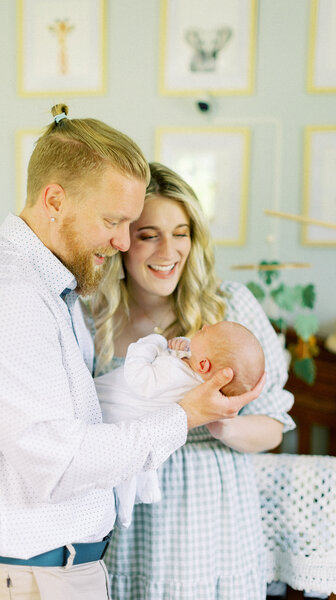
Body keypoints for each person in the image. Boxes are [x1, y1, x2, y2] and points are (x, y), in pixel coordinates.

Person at [0, 107, 264, 600]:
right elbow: (58, 464)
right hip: (21, 582)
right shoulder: (7, 299)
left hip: (54, 576)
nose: (122, 241)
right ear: (54, 201)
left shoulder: (56, 292)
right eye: (114, 221)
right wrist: (183, 414)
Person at [89, 162, 295, 600]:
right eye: (149, 235)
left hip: (211, 517)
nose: (168, 250)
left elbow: (274, 427)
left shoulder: (231, 307)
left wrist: (220, 422)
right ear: (122, 240)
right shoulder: (93, 318)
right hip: (128, 513)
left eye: (180, 232)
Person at [95, 323, 265, 528]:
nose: (204, 325)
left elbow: (139, 376)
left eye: (204, 332)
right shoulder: (197, 382)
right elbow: (189, 361)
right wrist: (184, 346)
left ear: (203, 365)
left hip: (105, 409)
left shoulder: (173, 374)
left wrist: (153, 343)